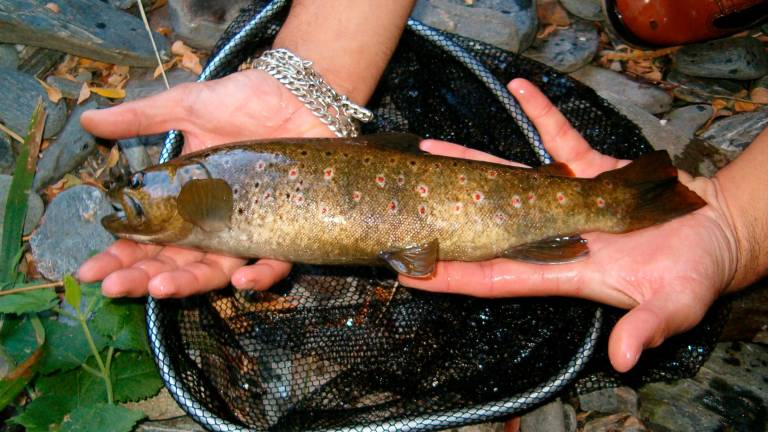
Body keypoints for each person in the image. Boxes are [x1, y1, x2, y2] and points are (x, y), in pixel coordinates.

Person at [77, 0, 768, 373]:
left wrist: (739, 228)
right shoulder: (204, 194)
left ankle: (633, 201)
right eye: (137, 193)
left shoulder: (201, 195)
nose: (128, 200)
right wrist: (311, 70)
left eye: (139, 191)